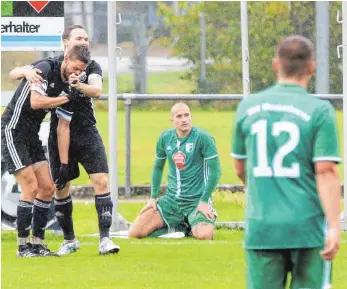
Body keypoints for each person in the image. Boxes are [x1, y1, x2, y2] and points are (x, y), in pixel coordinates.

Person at [231, 35, 341, 289]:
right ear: (312, 67)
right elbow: (326, 172)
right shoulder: (319, 110)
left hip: (263, 226)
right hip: (307, 228)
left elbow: (240, 167)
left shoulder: (248, 106)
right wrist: (334, 226)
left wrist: (267, 191)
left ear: (275, 64)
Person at [10, 25, 120, 255]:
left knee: (61, 185)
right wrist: (23, 70)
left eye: (87, 38)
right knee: (44, 186)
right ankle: (37, 245)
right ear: (65, 45)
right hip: (32, 131)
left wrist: (77, 86)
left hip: (73, 132)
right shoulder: (51, 67)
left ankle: (41, 242)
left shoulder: (84, 69)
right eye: (79, 38)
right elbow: (38, 103)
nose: (84, 41)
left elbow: (97, 91)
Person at [3, 44, 91, 257]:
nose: (76, 73)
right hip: (12, 131)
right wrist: (67, 97)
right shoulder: (46, 68)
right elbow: (36, 102)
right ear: (67, 59)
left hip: (31, 136)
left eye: (81, 71)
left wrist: (62, 164)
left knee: (47, 188)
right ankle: (22, 247)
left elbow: (63, 125)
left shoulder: (70, 82)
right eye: (75, 68)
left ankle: (36, 243)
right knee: (30, 187)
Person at [128, 102, 221, 240]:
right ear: (172, 121)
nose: (184, 119)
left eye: (187, 115)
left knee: (204, 235)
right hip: (171, 201)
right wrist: (153, 198)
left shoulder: (203, 138)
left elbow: (216, 171)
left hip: (196, 201)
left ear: (191, 117)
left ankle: (193, 224)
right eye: (179, 116)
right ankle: (180, 227)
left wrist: (204, 200)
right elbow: (158, 167)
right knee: (135, 233)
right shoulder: (165, 138)